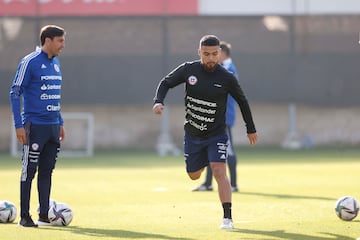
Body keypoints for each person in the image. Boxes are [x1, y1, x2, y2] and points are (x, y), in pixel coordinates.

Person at [152, 35, 258, 229]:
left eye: (215, 54)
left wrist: (250, 128)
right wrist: (158, 101)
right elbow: (165, 83)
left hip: (217, 134)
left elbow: (242, 101)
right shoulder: (188, 70)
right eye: (206, 54)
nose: (211, 58)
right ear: (199, 52)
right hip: (193, 134)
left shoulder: (227, 77)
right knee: (194, 175)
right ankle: (204, 160)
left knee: (219, 170)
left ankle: (227, 218)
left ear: (219, 54)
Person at [9, 25, 66, 227]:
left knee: (47, 171)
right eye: (60, 41)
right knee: (28, 171)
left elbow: (54, 95)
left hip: (52, 127)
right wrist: (19, 125)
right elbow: (15, 92)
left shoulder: (56, 63)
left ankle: (43, 214)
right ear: (47, 41)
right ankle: (24, 216)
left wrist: (60, 122)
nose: (63, 45)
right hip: (34, 126)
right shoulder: (30, 61)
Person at [192, 41, 240, 192]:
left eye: (216, 53)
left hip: (223, 118)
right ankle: (208, 183)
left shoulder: (229, 70)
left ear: (223, 53)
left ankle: (233, 184)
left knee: (228, 150)